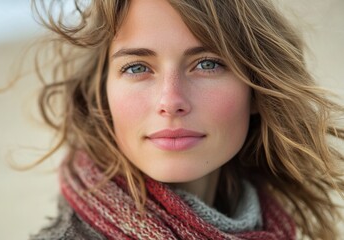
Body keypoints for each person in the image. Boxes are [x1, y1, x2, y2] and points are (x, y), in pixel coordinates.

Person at [26, 0, 344, 239]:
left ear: (258, 89)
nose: (171, 101)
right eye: (137, 68)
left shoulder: (272, 222)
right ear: (102, 93)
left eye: (207, 64)